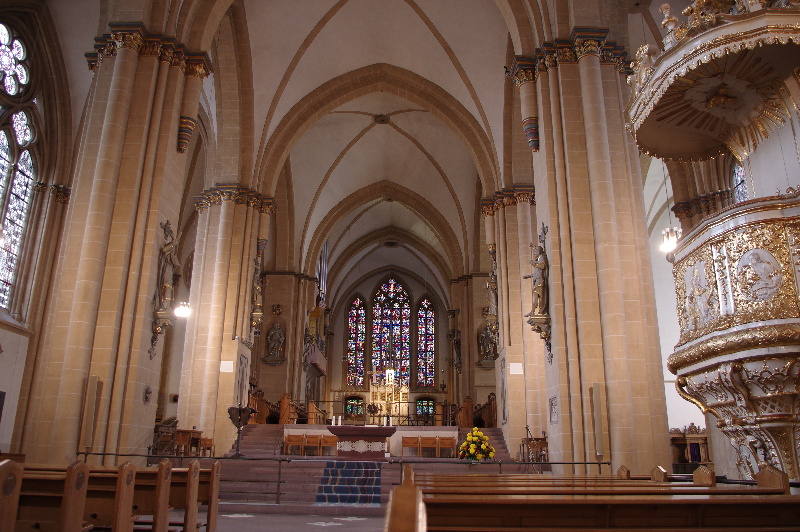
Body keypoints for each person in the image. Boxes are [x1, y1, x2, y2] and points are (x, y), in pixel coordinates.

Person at [524, 245, 548, 317]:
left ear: (539, 252)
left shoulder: (542, 258)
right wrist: (528, 276)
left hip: (540, 280)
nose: (534, 253)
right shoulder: (538, 260)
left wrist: (534, 264)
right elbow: (536, 273)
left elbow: (543, 266)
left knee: (540, 295)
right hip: (537, 280)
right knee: (536, 295)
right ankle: (533, 310)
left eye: (535, 251)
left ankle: (541, 311)